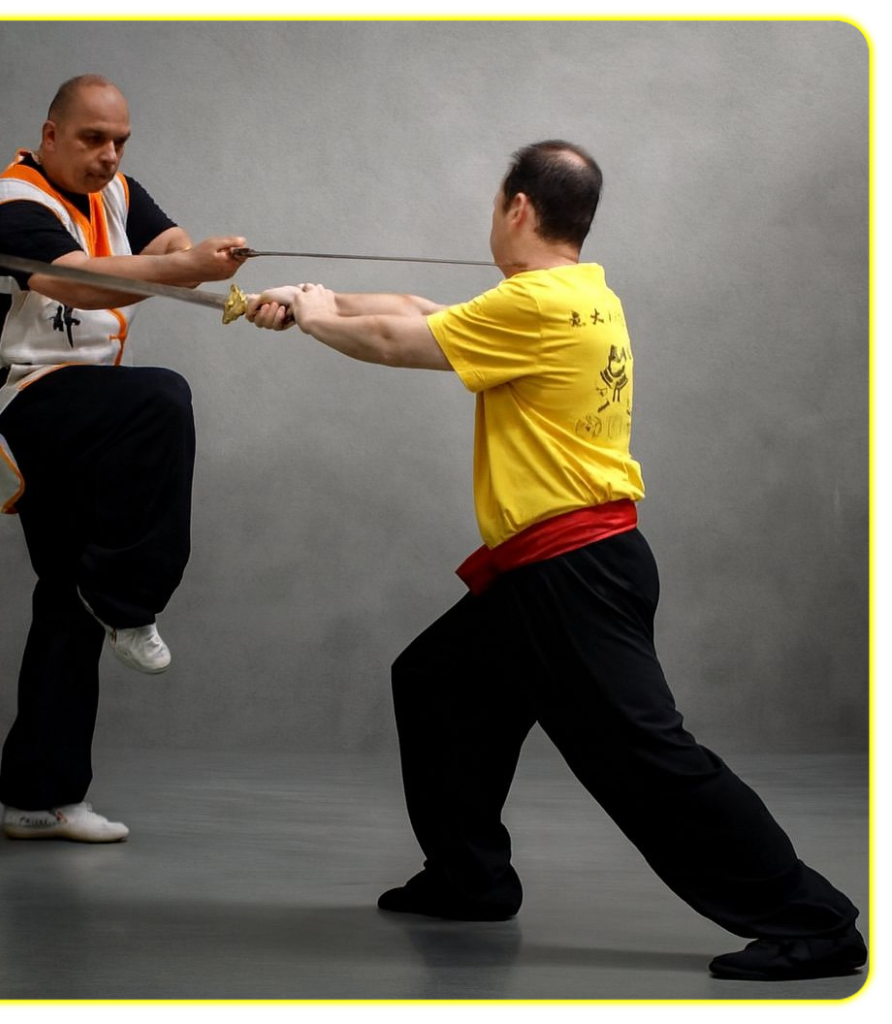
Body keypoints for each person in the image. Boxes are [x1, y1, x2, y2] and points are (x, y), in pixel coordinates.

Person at [245, 141, 867, 981]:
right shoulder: (578, 296)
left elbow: (398, 340)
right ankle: (469, 879)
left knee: (646, 757)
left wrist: (319, 321)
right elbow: (419, 308)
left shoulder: (535, 305)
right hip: (561, 564)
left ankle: (816, 922)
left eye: (495, 204)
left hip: (573, 574)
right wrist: (309, 298)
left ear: (518, 207)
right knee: (435, 683)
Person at [0, 74, 248, 843]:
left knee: (66, 595)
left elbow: (168, 247)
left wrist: (233, 291)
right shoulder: (8, 206)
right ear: (49, 136)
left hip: (83, 415)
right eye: (92, 139)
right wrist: (193, 271)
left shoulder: (114, 191)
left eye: (120, 142)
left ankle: (39, 798)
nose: (110, 155)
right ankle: (132, 601)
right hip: (15, 404)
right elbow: (77, 284)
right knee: (162, 400)